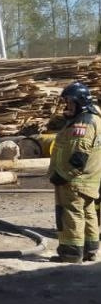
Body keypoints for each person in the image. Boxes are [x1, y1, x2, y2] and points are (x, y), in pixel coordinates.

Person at [47, 81, 101, 263]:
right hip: (89, 180)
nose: (66, 106)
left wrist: (62, 175)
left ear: (80, 102)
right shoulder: (94, 119)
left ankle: (70, 254)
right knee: (88, 212)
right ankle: (90, 250)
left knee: (71, 214)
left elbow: (79, 155)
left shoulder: (83, 124)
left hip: (74, 180)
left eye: (69, 103)